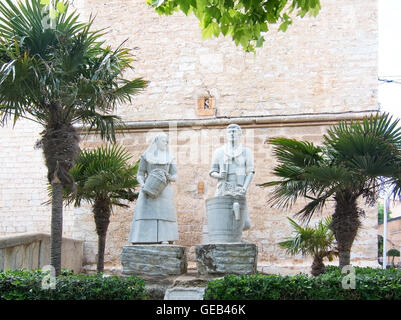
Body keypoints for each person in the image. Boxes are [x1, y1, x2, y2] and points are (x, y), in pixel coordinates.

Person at [128, 133, 179, 244]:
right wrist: (142, 184)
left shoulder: (170, 157)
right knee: (145, 213)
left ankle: (165, 238)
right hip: (148, 188)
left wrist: (168, 177)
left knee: (165, 214)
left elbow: (175, 175)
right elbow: (140, 174)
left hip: (165, 189)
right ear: (156, 141)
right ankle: (142, 238)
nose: (165, 143)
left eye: (166, 141)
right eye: (163, 140)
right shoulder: (146, 156)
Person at [209, 124, 255, 230]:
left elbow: (250, 172)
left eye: (235, 131)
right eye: (230, 132)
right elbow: (212, 171)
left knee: (243, 221)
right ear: (226, 135)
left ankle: (236, 236)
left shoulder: (246, 152)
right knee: (221, 215)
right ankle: (226, 238)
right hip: (223, 186)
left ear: (240, 134)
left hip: (238, 186)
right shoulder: (219, 152)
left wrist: (244, 188)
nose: (232, 134)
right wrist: (219, 175)